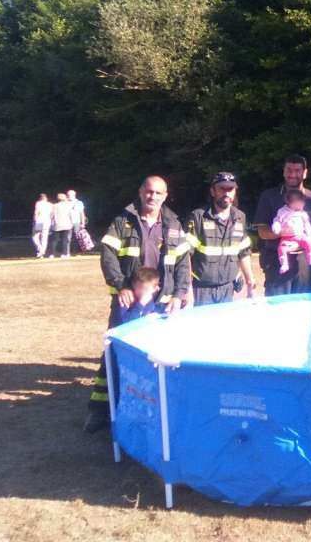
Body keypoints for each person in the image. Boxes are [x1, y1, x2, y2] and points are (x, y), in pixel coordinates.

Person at [84, 175, 191, 433]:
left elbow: (183, 262)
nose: (152, 196)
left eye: (158, 193)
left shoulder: (174, 224)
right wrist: (121, 285)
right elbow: (107, 255)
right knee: (115, 353)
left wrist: (179, 293)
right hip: (129, 303)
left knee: (157, 357)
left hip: (161, 304)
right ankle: (100, 411)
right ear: (141, 191)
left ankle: (152, 411)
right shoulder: (123, 221)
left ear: (165, 196)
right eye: (149, 191)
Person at [253, 155, 311, 296]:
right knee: (278, 311)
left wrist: (302, 243)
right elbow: (262, 230)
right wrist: (281, 233)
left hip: (305, 264)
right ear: (283, 171)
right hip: (276, 263)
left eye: (297, 170)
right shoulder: (269, 196)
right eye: (289, 170)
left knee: (305, 310)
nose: (293, 174)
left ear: (305, 173)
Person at [184, 171, 255, 306]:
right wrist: (188, 291)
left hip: (227, 288)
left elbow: (244, 252)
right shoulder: (198, 217)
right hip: (201, 290)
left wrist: (250, 281)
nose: (226, 193)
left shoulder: (240, 217)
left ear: (235, 192)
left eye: (230, 189)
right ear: (212, 191)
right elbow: (185, 256)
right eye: (222, 189)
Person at [272, 189, 311, 274]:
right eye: (301, 202)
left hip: (300, 235)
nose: (303, 204)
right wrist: (276, 227)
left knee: (308, 242)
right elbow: (277, 220)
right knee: (281, 248)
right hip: (286, 237)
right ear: (292, 202)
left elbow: (307, 225)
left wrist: (310, 235)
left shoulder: (303, 213)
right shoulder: (282, 211)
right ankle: (284, 264)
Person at [49, 192, 74, 258]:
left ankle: (52, 254)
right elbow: (71, 215)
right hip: (67, 224)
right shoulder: (68, 206)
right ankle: (65, 253)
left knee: (55, 240)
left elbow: (51, 216)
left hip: (57, 225)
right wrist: (72, 222)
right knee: (65, 240)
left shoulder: (54, 206)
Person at [31, 193, 52, 258]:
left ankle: (40, 249)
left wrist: (34, 221)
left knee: (35, 236)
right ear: (46, 198)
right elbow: (51, 214)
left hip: (39, 221)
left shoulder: (38, 203)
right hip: (47, 222)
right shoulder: (50, 204)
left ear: (40, 198)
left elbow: (36, 213)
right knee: (44, 238)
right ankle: (42, 251)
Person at [67, 189, 87, 254]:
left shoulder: (79, 202)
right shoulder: (65, 202)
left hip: (76, 222)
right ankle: (67, 251)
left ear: (73, 195)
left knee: (77, 237)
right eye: (68, 195)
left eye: (69, 195)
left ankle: (76, 251)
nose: (68, 196)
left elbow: (82, 213)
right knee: (68, 237)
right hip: (67, 222)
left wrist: (83, 223)